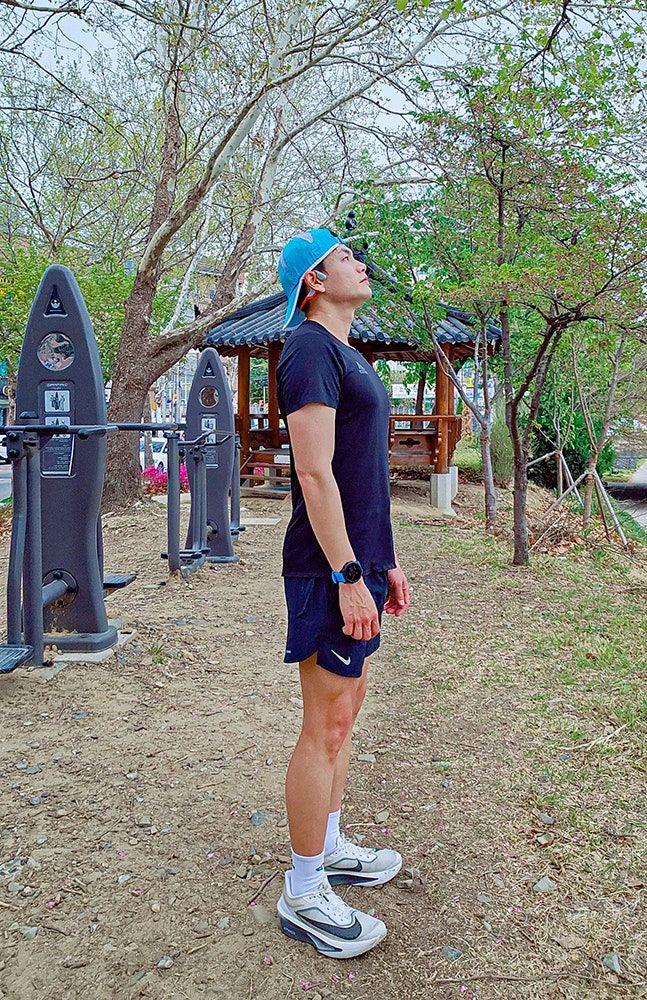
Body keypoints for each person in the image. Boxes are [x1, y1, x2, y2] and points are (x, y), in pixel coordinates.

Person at [275, 228, 410, 959]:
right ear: (314, 282)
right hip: (328, 570)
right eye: (344, 256)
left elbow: (361, 473)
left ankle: (327, 846)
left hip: (359, 563)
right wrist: (347, 575)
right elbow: (314, 473)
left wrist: (383, 562)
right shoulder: (307, 348)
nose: (360, 262)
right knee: (323, 724)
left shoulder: (346, 352)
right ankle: (303, 891)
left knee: (344, 716)